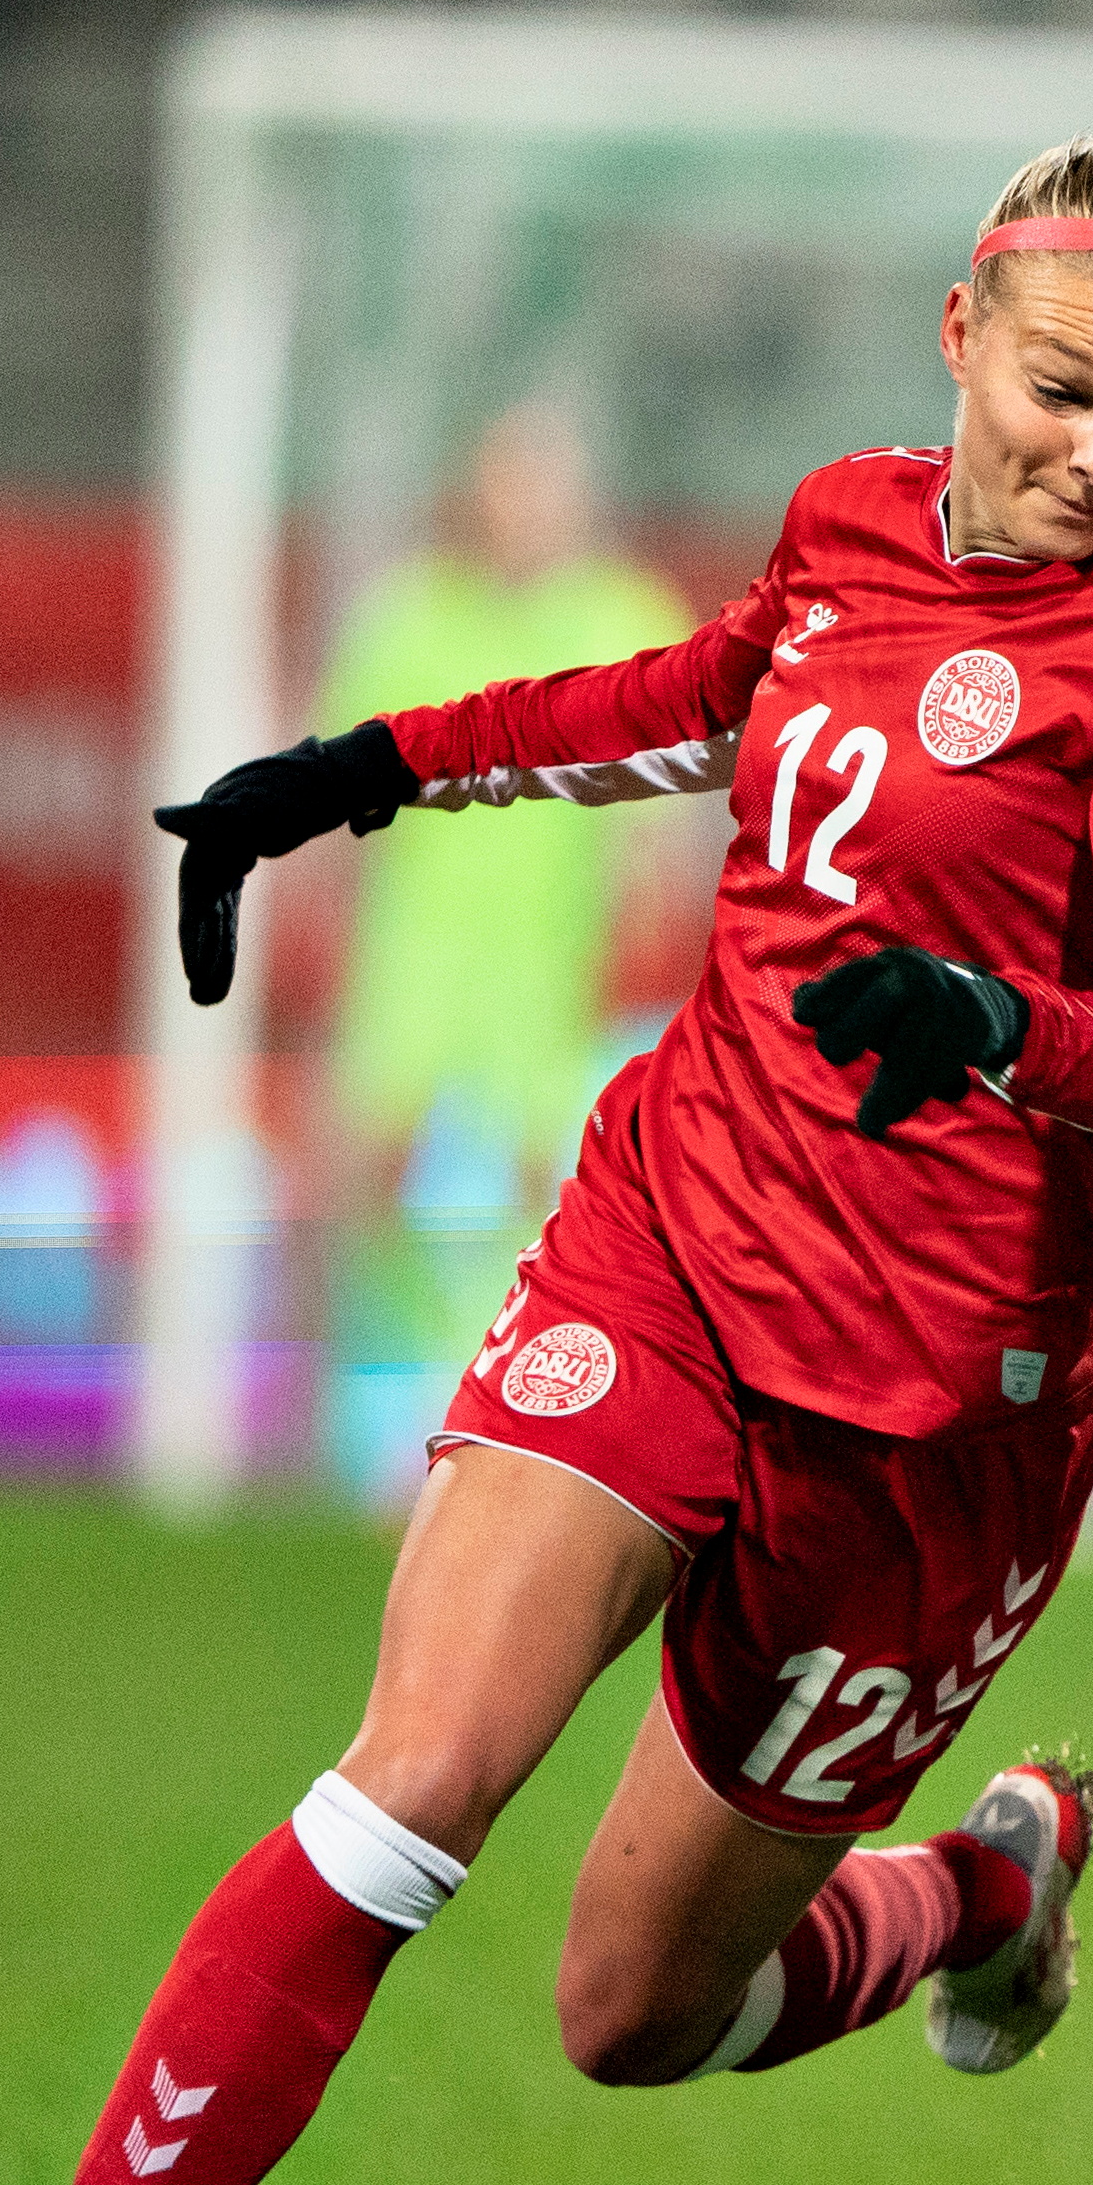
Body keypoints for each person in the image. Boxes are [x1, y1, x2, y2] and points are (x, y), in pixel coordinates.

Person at [0, 128, 1093, 2185]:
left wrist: (1001, 1020)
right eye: (1059, 390)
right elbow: (697, 695)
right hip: (671, 1249)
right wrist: (363, 771)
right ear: (959, 341)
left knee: (628, 2012)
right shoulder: (849, 523)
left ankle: (985, 1890)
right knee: (410, 1787)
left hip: (933, 1425)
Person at [311, 398, 695, 1501]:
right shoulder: (412, 620)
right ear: (474, 492)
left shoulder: (622, 617)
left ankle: (517, 1423)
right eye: (512, 479)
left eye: (550, 482)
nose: (530, 506)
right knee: (371, 1171)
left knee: (549, 1191)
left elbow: (661, 801)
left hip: (546, 962)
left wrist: (647, 893)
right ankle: (369, 1413)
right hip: (418, 951)